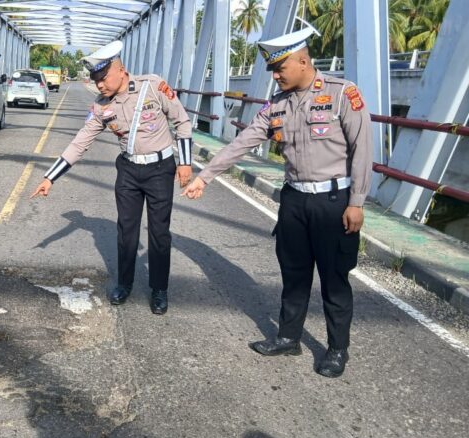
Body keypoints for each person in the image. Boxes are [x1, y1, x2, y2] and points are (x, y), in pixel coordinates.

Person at [180, 27, 373, 377]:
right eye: (272, 69)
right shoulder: (277, 105)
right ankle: (288, 337)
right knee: (294, 273)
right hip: (294, 201)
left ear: (302, 61)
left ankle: (337, 349)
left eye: (280, 67)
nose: (275, 74)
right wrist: (204, 176)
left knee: (334, 279)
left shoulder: (342, 93)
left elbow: (363, 150)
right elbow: (242, 143)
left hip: (333, 201)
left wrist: (356, 201)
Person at [30, 40, 194, 315]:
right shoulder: (100, 107)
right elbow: (80, 142)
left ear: (121, 70)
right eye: (95, 81)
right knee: (126, 232)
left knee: (159, 233)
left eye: (103, 78)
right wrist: (50, 178)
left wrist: (185, 163)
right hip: (128, 170)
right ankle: (125, 283)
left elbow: (182, 121)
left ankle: (159, 289)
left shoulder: (153, 86)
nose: (100, 85)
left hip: (159, 169)